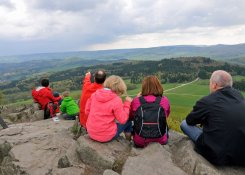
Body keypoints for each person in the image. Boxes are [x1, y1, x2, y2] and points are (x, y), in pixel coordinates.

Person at [180, 70, 245, 166]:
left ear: (214, 85)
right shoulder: (240, 97)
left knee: (184, 124)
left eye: (210, 83)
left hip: (216, 155)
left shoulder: (208, 101)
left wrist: (204, 121)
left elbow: (190, 120)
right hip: (241, 156)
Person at [85, 75, 132, 142]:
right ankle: (128, 142)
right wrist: (127, 104)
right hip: (106, 136)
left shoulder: (94, 95)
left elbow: (87, 112)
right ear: (118, 88)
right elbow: (123, 119)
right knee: (128, 122)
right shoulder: (116, 100)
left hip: (91, 132)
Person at [130, 75, 170, 147]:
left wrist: (136, 98)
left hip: (140, 141)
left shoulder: (136, 101)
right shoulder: (164, 100)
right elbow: (166, 115)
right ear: (158, 86)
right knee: (165, 124)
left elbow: (132, 116)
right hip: (161, 140)